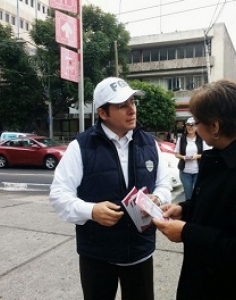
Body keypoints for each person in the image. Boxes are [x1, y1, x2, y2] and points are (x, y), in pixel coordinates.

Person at [153, 80, 236, 300]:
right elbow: (218, 207)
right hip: (206, 282)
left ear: (215, 126)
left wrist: (187, 232)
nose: (194, 128)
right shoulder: (221, 156)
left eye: (197, 122)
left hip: (233, 289)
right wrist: (185, 210)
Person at [49, 77, 172, 300]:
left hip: (140, 251)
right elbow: (59, 194)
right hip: (97, 255)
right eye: (122, 105)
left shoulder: (149, 144)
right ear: (102, 113)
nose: (131, 110)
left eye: (133, 102)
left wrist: (158, 198)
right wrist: (91, 211)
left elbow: (164, 184)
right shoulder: (81, 147)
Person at [175, 117, 210, 200]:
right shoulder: (181, 139)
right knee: (188, 196)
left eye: (193, 125)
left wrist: (197, 156)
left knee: (198, 195)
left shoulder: (201, 140)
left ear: (196, 127)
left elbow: (206, 154)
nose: (190, 127)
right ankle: (189, 212)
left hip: (198, 172)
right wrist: (183, 157)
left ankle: (197, 212)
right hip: (185, 172)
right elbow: (176, 154)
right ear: (186, 126)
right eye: (188, 125)